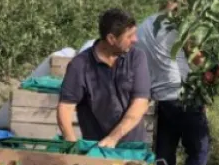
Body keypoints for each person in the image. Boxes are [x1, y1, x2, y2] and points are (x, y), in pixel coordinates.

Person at [134, 0, 212, 165]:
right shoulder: (178, 25)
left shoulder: (144, 26)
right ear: (177, 2)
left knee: (165, 152)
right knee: (199, 149)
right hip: (183, 95)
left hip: (160, 99)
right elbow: (197, 59)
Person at [57, 9, 152, 147]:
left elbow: (141, 102)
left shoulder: (136, 57)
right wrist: (72, 145)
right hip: (96, 149)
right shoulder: (80, 65)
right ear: (111, 39)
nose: (135, 40)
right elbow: (65, 107)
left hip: (132, 148)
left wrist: (113, 138)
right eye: (129, 36)